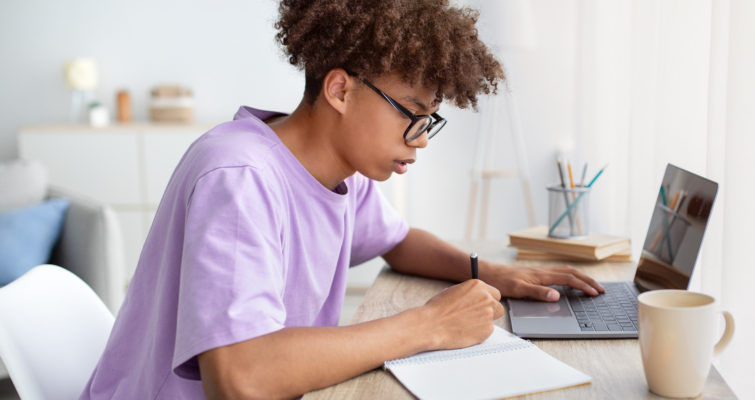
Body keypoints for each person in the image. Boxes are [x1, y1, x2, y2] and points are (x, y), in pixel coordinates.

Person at [81, 1, 605, 398]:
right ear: (340, 90)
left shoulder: (342, 173)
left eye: (429, 121)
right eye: (412, 114)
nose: (421, 138)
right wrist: (427, 325)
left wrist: (486, 270)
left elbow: (398, 242)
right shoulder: (241, 177)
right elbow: (239, 376)